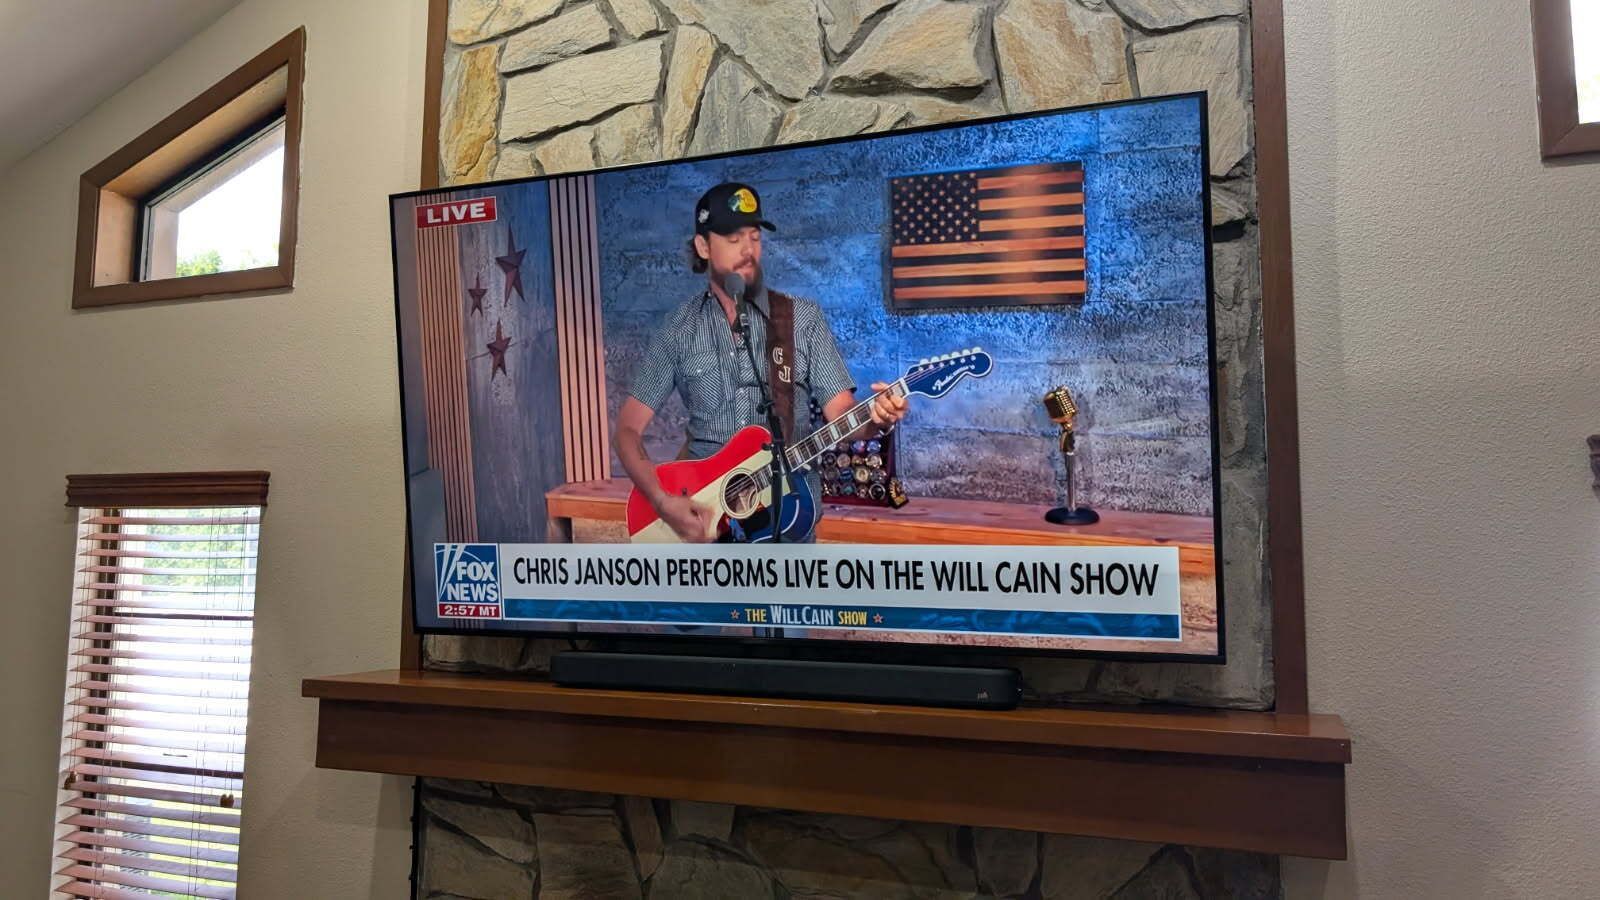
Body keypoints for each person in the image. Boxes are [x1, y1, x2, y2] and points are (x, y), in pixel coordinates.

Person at [615, 182, 908, 543]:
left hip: (789, 521)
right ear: (703, 246)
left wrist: (877, 419)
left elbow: (842, 413)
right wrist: (661, 501)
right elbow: (627, 431)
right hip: (705, 530)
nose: (748, 249)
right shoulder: (679, 329)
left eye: (754, 237)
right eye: (734, 237)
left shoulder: (802, 319)